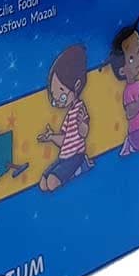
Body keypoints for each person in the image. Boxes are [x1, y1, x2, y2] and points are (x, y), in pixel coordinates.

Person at [38, 45, 93, 191]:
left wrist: (81, 124)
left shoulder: (80, 108)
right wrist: (51, 137)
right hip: (64, 157)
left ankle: (81, 166)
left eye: (61, 96)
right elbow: (65, 140)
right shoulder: (69, 114)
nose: (59, 102)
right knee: (43, 183)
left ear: (76, 86)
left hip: (76, 156)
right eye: (55, 98)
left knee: (52, 183)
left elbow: (84, 133)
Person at [105, 18, 139, 155]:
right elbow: (130, 113)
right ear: (122, 71)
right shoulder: (128, 91)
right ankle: (132, 145)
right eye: (131, 58)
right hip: (137, 133)